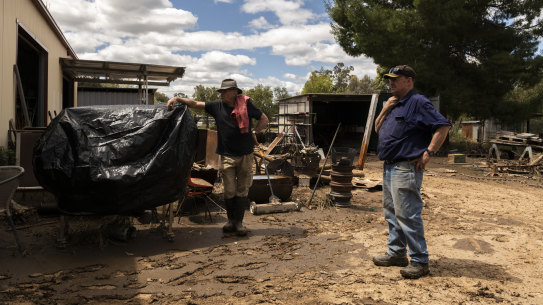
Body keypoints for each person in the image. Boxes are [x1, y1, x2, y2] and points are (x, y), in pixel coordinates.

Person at [373, 65, 451, 279]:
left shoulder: (418, 102)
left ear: (409, 81)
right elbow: (378, 129)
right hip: (389, 166)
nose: (391, 82)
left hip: (405, 166)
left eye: (396, 79)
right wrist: (385, 109)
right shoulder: (394, 104)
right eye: (390, 79)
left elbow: (443, 126)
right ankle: (397, 253)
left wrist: (429, 152)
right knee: (392, 213)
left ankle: (419, 261)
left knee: (408, 214)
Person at [167, 79, 268, 236]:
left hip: (246, 155)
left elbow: (264, 119)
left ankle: (239, 223)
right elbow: (194, 103)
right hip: (227, 156)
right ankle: (230, 221)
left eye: (224, 91)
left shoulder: (246, 105)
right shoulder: (216, 106)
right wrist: (178, 99)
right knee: (229, 190)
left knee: (242, 190)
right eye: (220, 92)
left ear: (234, 92)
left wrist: (254, 132)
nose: (221, 94)